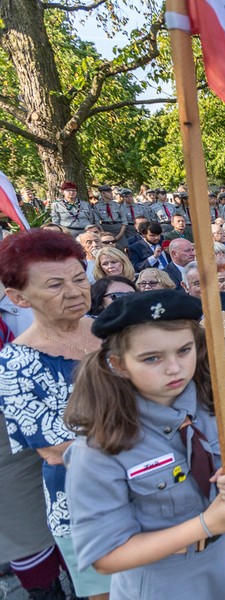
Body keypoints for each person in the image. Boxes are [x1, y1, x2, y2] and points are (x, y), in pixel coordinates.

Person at [63, 291, 225, 599]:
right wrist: (206, 525)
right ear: (119, 364)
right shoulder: (101, 445)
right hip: (168, 583)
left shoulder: (215, 398)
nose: (174, 368)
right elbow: (107, 556)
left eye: (184, 350)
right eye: (152, 358)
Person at [0, 229, 111, 599]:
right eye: (54, 285)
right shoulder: (14, 365)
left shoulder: (110, 334)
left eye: (80, 278)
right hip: (86, 504)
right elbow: (55, 450)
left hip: (152, 484)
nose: (74, 291)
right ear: (18, 297)